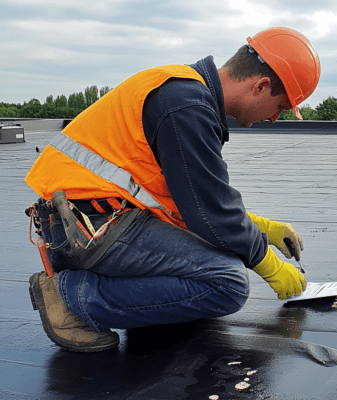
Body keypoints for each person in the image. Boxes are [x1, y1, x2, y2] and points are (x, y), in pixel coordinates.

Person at [25, 27, 321, 352]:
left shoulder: (182, 91)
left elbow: (189, 200)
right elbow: (208, 212)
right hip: (89, 229)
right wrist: (267, 261)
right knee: (228, 283)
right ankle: (72, 299)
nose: (276, 118)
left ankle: (113, 295)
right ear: (260, 86)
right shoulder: (185, 105)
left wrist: (261, 228)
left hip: (84, 221)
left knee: (219, 251)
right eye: (280, 106)